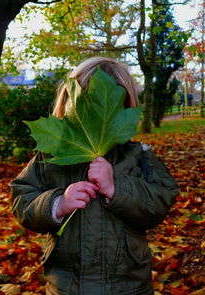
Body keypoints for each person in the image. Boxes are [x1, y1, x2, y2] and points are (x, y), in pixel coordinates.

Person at [11, 57, 179, 295]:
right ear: (68, 105)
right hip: (67, 287)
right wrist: (57, 204)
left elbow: (161, 201)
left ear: (127, 109)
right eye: (85, 106)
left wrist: (116, 188)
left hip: (128, 287)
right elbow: (21, 198)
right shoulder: (50, 155)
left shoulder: (138, 156)